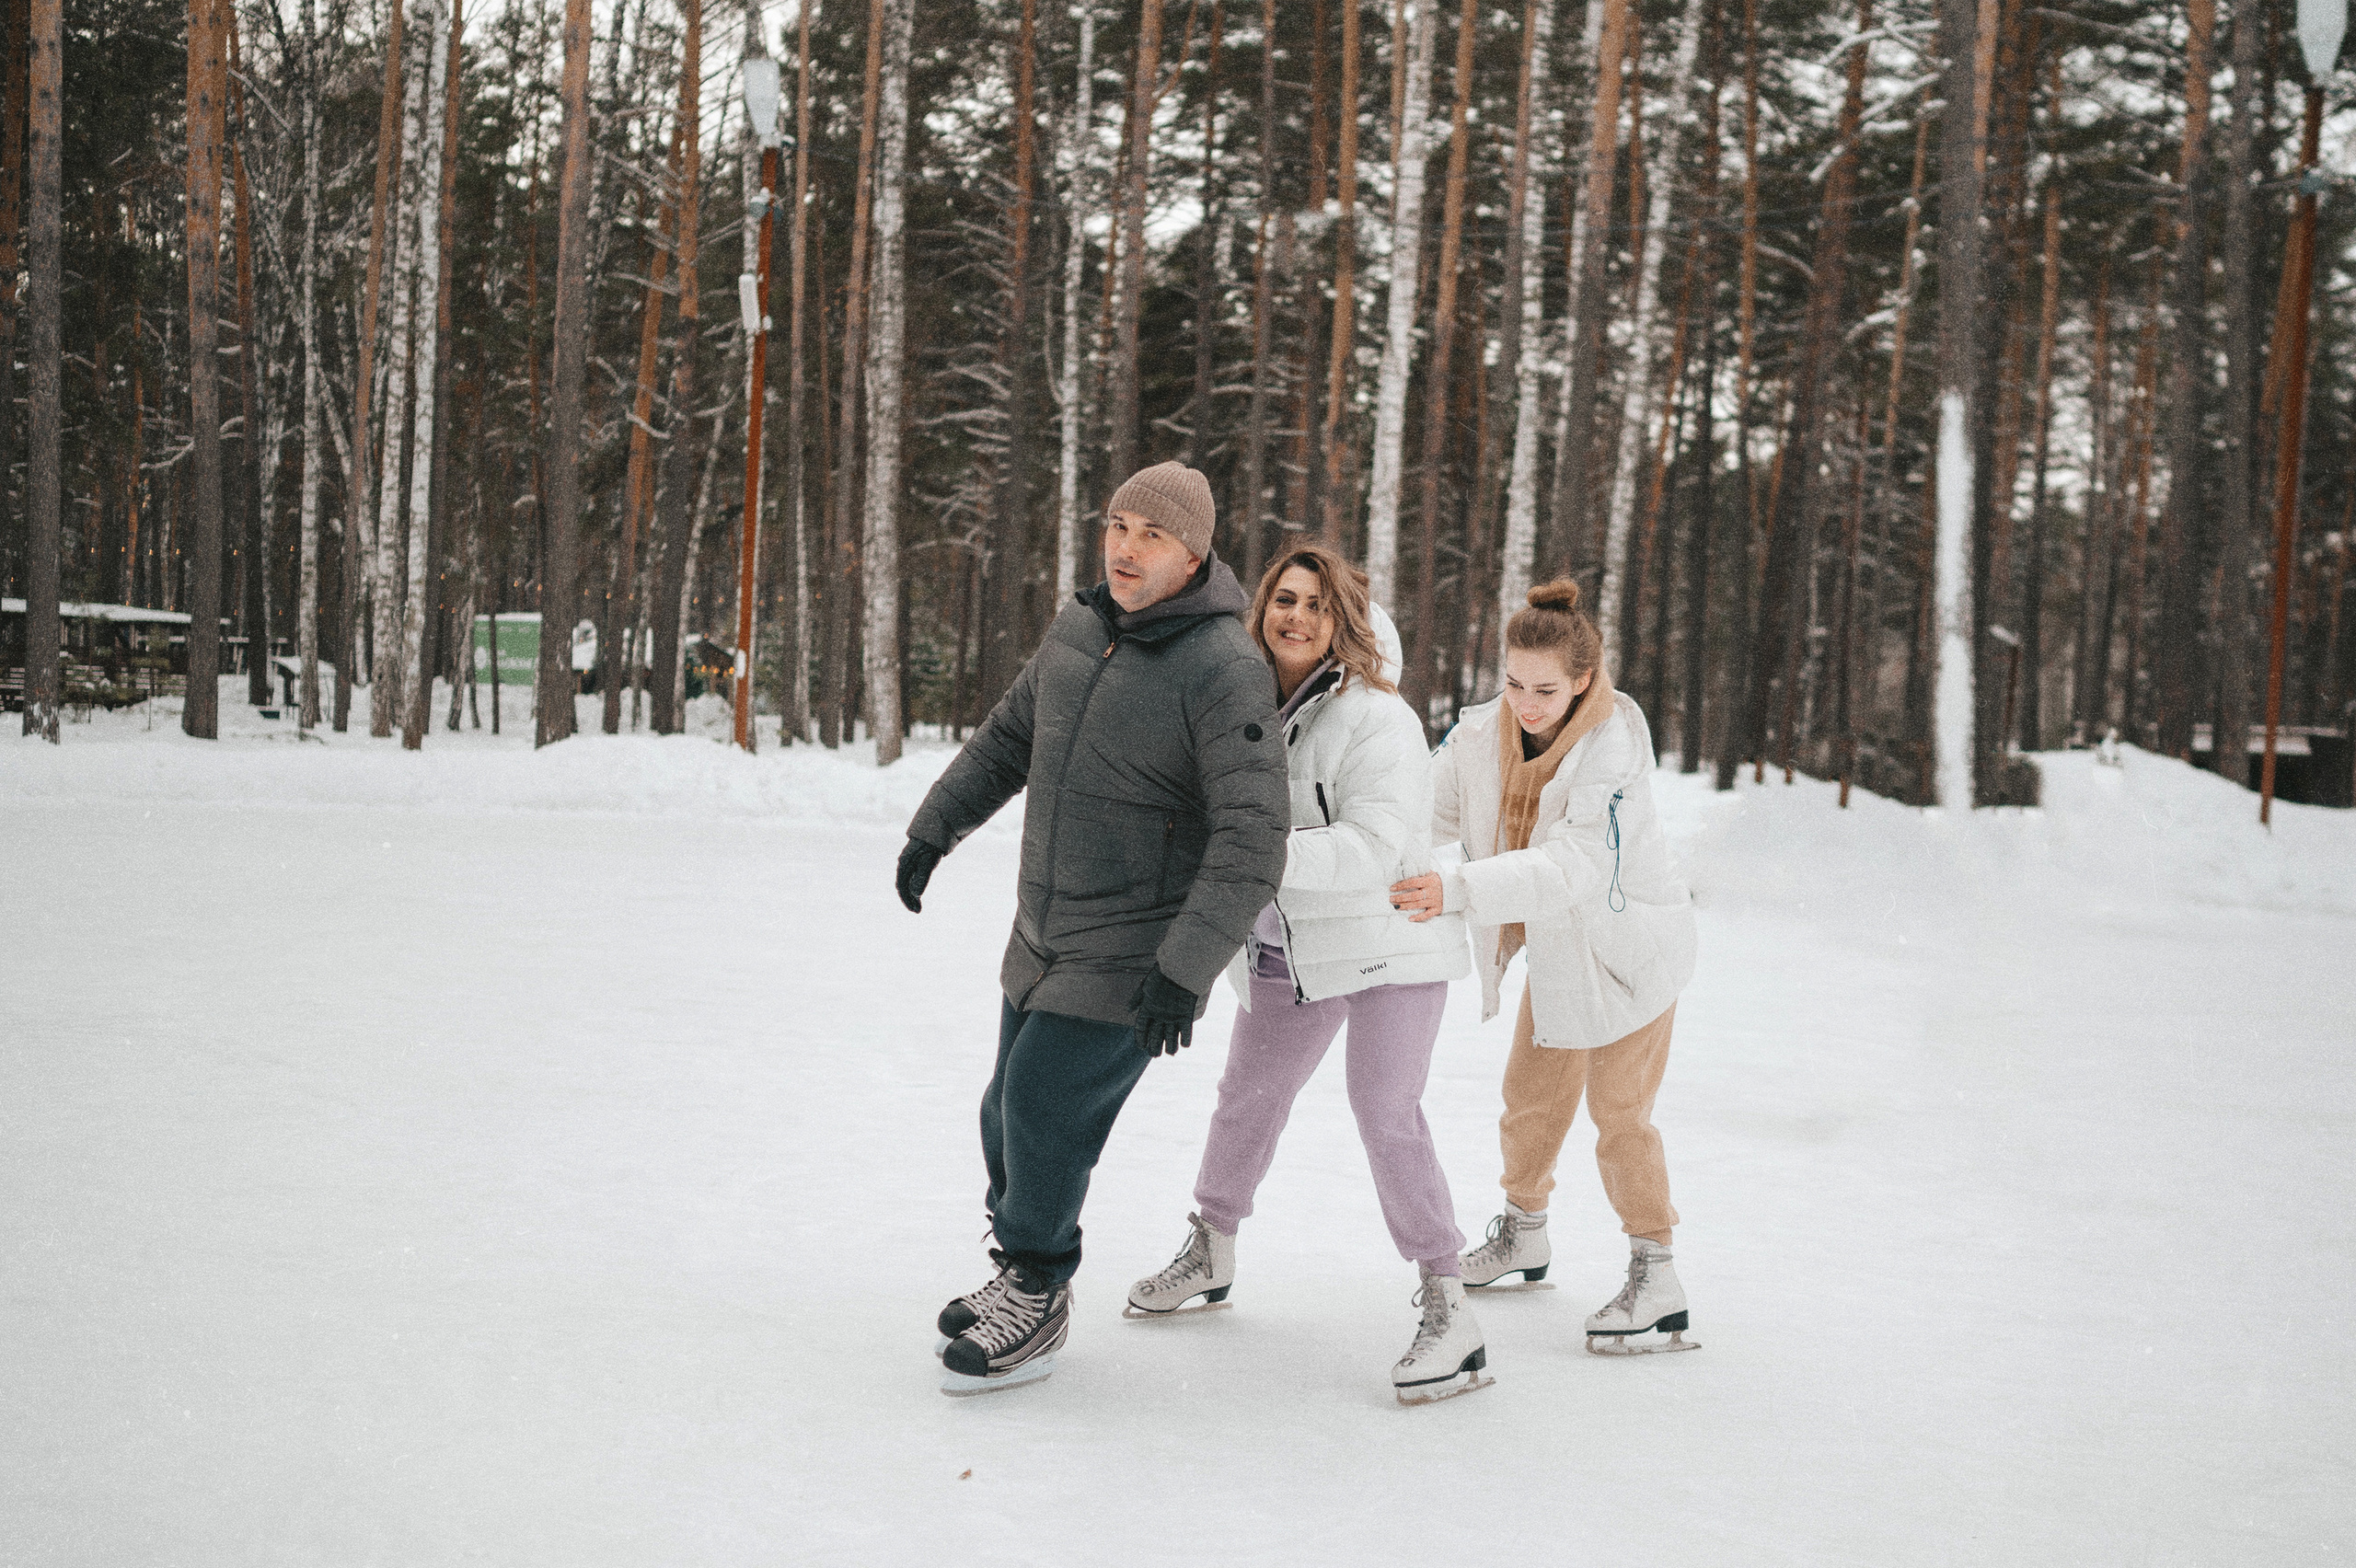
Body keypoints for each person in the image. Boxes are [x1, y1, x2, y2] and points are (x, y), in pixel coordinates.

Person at [896, 461, 1289, 1397]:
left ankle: (1036, 1288)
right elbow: (1006, 740)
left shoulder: (1224, 667)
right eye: (1118, 525)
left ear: (1192, 554)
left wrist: (1186, 968)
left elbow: (1251, 834)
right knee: (1005, 1110)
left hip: (1134, 950)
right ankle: (1021, 1268)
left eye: (1150, 535)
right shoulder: (1080, 629)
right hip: (1042, 931)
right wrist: (933, 828)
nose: (1125, 546)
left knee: (1042, 1111)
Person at [1123, 546, 1486, 1404]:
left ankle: (1449, 1303)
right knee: (1247, 1093)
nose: (1296, 617)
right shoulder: (1244, 702)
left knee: (1384, 1108)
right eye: (1284, 600)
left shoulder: (1378, 718)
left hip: (1392, 938)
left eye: (1317, 607)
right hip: (1293, 939)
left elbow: (1369, 846)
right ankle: (1211, 1248)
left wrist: (1253, 857)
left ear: (1344, 622)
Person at [1389, 579, 1701, 1355]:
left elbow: (1570, 868)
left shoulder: (1615, 754)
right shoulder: (1480, 735)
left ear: (1585, 681)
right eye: (1515, 684)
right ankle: (1525, 1233)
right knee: (1529, 1098)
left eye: (1547, 690)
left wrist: (1455, 890)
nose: (1527, 704)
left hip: (1631, 957)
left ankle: (1656, 1272)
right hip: (1561, 952)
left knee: (1620, 1114)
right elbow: (1425, 808)